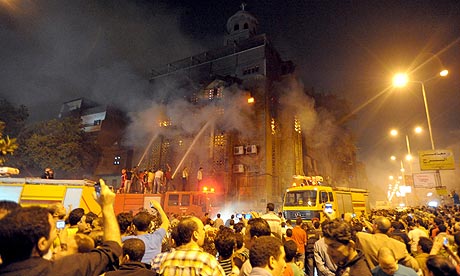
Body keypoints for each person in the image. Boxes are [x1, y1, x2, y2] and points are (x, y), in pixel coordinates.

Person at [0, 179, 122, 275]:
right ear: (42, 243)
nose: (58, 230)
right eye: (53, 229)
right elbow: (112, 249)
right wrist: (107, 207)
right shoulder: (61, 271)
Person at [158, 216, 225, 275]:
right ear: (195, 234)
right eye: (203, 229)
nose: (204, 232)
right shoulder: (208, 262)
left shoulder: (165, 261)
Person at [122, 200, 169, 266]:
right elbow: (166, 222)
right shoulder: (157, 237)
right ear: (150, 226)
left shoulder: (127, 240)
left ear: (133, 227)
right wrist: (158, 207)